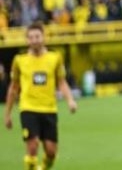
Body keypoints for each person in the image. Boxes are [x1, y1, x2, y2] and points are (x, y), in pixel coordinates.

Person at [4, 22, 78, 170]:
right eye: (31, 37)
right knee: (32, 146)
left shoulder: (55, 58)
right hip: (28, 108)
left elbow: (61, 82)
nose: (34, 40)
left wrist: (70, 100)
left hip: (49, 109)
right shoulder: (20, 60)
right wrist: (8, 114)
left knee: (51, 152)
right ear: (27, 40)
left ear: (44, 37)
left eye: (37, 36)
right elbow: (13, 87)